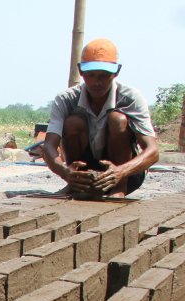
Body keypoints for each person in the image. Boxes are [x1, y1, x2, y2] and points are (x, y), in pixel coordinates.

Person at [30, 38, 160, 199]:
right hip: (84, 173)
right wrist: (65, 172)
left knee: (117, 120)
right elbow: (49, 146)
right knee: (73, 122)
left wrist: (120, 172)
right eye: (91, 75)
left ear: (116, 72)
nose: (96, 82)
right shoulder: (66, 99)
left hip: (125, 173)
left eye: (103, 76)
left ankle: (119, 190)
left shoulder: (131, 98)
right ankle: (75, 184)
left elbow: (153, 151)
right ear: (81, 71)